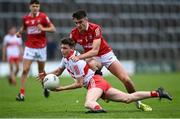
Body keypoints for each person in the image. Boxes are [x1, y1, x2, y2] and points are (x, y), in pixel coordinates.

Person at [38, 38, 172, 113]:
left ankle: (98, 109)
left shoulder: (75, 61)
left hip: (95, 83)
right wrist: (46, 74)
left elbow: (79, 84)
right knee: (127, 98)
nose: (62, 50)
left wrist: (60, 89)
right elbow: (59, 71)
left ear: (71, 49)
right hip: (98, 82)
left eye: (65, 48)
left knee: (89, 103)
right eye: (61, 48)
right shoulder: (66, 58)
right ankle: (157, 93)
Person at [69, 9, 153, 111]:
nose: (78, 25)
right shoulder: (73, 33)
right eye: (76, 23)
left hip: (105, 55)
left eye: (80, 22)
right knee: (89, 67)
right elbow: (70, 50)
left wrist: (78, 57)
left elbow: (95, 51)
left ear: (86, 19)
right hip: (92, 58)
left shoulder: (95, 28)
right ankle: (102, 91)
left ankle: (138, 103)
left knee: (126, 80)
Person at [15, 0, 56, 101]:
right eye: (33, 6)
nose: (35, 8)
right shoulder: (26, 18)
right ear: (30, 7)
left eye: (37, 6)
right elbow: (24, 27)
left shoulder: (43, 17)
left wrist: (43, 29)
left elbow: (53, 29)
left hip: (41, 47)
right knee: (25, 70)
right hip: (29, 47)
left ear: (39, 7)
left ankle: (45, 88)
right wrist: (19, 32)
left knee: (41, 72)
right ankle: (21, 94)